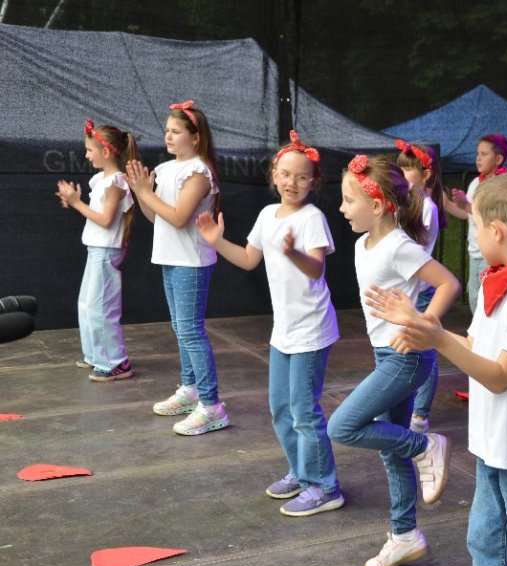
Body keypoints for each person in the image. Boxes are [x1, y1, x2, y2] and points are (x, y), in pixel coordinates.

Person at [367, 171, 507, 566]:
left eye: (476, 225)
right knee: (485, 545)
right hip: (495, 445)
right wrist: (427, 329)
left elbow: (499, 377)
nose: (475, 234)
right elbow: (476, 345)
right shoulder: (501, 280)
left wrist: (438, 339)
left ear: (497, 231)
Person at [195, 131, 343, 513]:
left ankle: (325, 487)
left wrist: (294, 253)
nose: (292, 182)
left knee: (304, 410)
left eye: (302, 177)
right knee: (280, 407)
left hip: (312, 328)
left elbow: (316, 269)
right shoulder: (266, 215)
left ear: (313, 182)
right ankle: (301, 472)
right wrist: (216, 241)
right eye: (286, 174)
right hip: (284, 331)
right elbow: (248, 259)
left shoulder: (312, 219)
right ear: (274, 175)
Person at [328, 155, 460, 566]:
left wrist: (423, 324)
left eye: (349, 201)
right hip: (386, 355)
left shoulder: (399, 247)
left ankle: (426, 446)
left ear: (377, 205)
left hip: (405, 358)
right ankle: (405, 535)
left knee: (342, 426)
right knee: (390, 449)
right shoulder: (362, 245)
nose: (342, 208)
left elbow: (448, 283)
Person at [125, 100, 229, 436]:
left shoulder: (199, 172)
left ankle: (211, 406)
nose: (168, 136)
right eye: (167, 131)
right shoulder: (167, 168)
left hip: (191, 261)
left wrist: (146, 191)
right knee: (181, 328)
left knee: (190, 330)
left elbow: (180, 217)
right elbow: (156, 217)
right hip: (170, 257)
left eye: (176, 131)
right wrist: (141, 193)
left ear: (195, 137)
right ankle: (190, 390)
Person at [55, 119, 137, 382]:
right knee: (87, 305)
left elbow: (106, 220)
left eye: (90, 150)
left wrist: (77, 203)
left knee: (101, 308)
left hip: (106, 251)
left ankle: (116, 362)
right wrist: (74, 202)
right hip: (96, 249)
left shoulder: (116, 183)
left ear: (106, 151)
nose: (87, 155)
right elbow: (98, 215)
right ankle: (95, 355)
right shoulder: (102, 180)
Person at [396, 139, 446, 433]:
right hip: (405, 289)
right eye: (400, 170)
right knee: (404, 348)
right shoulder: (406, 203)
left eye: (408, 170)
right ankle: (402, 405)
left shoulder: (426, 207)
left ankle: (420, 413)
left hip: (421, 291)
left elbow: (414, 247)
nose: (402, 175)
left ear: (425, 174)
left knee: (425, 349)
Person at [445, 133, 507, 314]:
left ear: (498, 159)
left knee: (486, 298)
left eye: (484, 154)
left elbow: (494, 216)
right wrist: (447, 204)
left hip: (492, 252)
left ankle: (489, 330)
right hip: (475, 252)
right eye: (477, 154)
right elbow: (468, 214)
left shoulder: (502, 184)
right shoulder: (475, 182)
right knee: (474, 296)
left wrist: (467, 205)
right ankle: (479, 330)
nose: (478, 158)